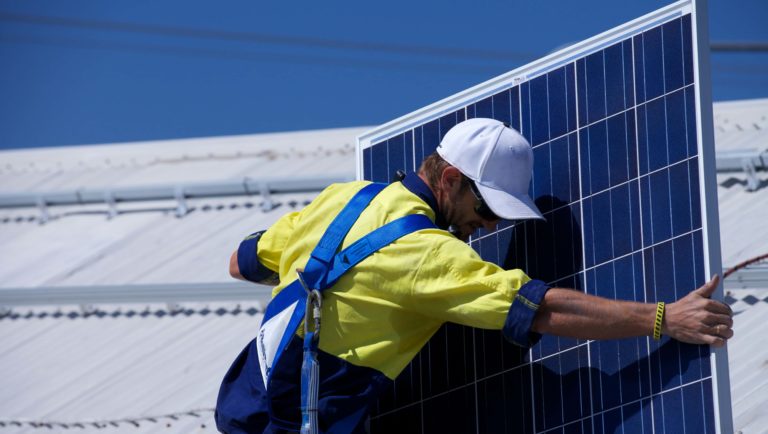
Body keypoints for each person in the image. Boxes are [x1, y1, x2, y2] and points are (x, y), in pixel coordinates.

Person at [215, 118, 733, 434]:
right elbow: (544, 309)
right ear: (450, 180)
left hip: (245, 403)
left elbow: (242, 262)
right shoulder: (428, 257)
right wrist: (665, 318)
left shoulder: (345, 197)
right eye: (486, 209)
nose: (487, 227)